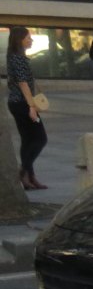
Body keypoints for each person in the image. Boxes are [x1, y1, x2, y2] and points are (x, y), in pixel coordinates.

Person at [7, 27, 48, 190]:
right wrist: (32, 107)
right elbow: (23, 83)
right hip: (21, 103)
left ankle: (30, 177)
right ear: (19, 39)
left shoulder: (17, 56)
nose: (31, 40)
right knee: (40, 138)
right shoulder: (17, 58)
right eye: (28, 37)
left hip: (20, 102)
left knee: (28, 140)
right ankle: (23, 172)